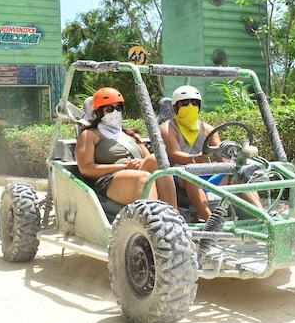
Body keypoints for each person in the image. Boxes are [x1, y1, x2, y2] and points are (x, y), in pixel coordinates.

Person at [160, 85, 262, 221]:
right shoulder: (168, 128)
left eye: (194, 103)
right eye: (184, 103)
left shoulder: (207, 129)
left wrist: (231, 163)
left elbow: (221, 155)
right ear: (175, 106)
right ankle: (212, 222)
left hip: (207, 173)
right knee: (190, 177)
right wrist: (194, 158)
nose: (190, 106)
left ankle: (263, 216)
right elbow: (174, 154)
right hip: (179, 175)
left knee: (241, 173)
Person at [75, 87, 176, 207]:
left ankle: (173, 214)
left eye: (118, 108)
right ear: (99, 112)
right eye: (109, 109)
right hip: (109, 180)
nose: (115, 112)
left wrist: (139, 162)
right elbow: (86, 169)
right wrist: (123, 167)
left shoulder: (131, 134)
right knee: (143, 177)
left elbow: (149, 160)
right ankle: (152, 219)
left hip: (138, 172)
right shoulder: (90, 134)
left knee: (156, 159)